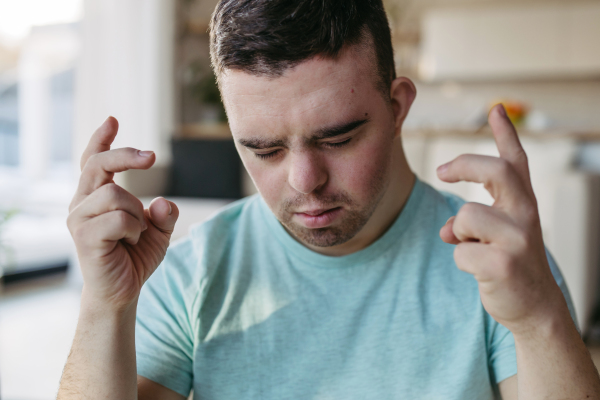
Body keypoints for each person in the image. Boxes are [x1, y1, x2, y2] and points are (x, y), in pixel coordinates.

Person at [57, 0, 600, 399]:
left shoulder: (503, 271)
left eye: (337, 138)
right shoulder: (193, 273)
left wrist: (538, 318)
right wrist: (104, 308)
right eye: (264, 148)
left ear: (397, 108)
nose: (304, 180)